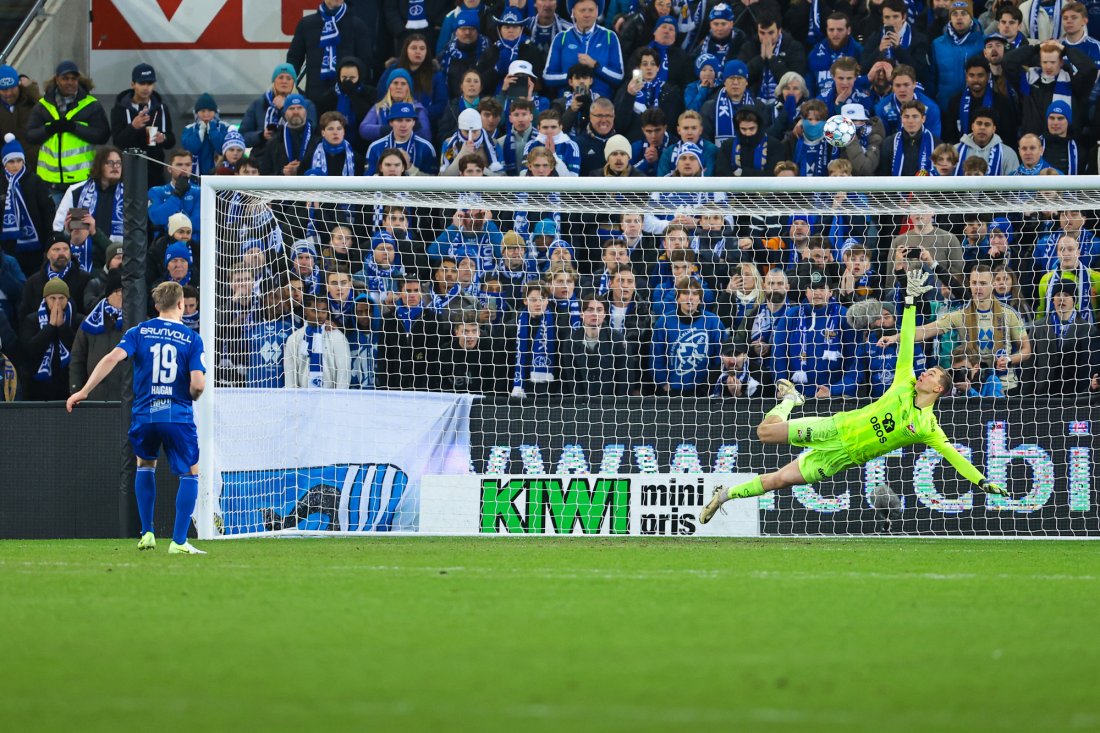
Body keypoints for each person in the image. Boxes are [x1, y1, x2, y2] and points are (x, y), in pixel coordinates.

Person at [699, 269, 1008, 523]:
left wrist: (982, 482)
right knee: (764, 433)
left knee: (777, 480)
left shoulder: (927, 427)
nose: (924, 372)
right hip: (834, 426)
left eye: (931, 374)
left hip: (838, 458)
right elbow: (908, 336)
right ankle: (791, 400)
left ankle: (725, 495)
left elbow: (954, 457)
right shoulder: (904, 381)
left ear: (938, 389)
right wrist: (912, 300)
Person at [66, 281, 207, 554]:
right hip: (176, 415)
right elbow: (198, 384)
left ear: (156, 306)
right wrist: (194, 393)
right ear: (181, 305)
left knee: (145, 464)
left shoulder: (138, 331)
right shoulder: (191, 338)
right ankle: (179, 542)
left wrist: (83, 391)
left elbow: (111, 358)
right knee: (190, 473)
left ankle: (147, 533)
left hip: (144, 414)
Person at [24, 60, 111, 198]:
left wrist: (74, 127)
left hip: (80, 182)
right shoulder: (43, 106)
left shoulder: (91, 105)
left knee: (78, 220)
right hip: (51, 182)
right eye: (65, 78)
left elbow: (103, 136)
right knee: (54, 220)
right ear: (57, 79)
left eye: (73, 78)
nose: (70, 82)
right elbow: (29, 135)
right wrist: (50, 129)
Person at [286, 0, 376, 106]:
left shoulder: (357, 25)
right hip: (314, 96)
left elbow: (365, 63)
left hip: (347, 97)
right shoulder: (306, 24)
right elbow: (294, 59)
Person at [109, 63, 175, 190]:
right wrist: (133, 127)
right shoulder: (119, 109)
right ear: (133, 84)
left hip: (155, 173)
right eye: (142, 83)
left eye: (149, 83)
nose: (146, 88)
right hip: (128, 172)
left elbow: (171, 140)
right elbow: (117, 142)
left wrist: (163, 138)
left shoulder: (161, 108)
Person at [21, 278, 83, 400]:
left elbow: (79, 350)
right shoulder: (32, 320)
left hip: (68, 383)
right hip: (39, 386)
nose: (57, 303)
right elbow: (30, 350)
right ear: (45, 299)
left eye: (61, 298)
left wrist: (62, 327)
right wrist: (50, 327)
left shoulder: (78, 320)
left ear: (67, 299)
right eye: (52, 298)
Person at [0, 133, 53, 275]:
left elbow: (47, 211)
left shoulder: (35, 181)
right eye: (11, 162)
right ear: (4, 163)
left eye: (19, 161)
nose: (16, 165)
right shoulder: (1, 183)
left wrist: (49, 241)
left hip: (35, 247)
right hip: (8, 248)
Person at [69, 267, 124, 400]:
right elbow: (77, 358)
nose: (123, 295)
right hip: (96, 397)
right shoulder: (90, 322)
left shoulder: (140, 321)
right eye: (118, 291)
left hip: (130, 399)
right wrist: (76, 389)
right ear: (109, 294)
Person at [284, 293, 351, 388]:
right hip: (302, 399)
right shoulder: (293, 339)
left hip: (331, 399)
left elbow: (344, 372)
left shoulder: (337, 337)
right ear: (305, 311)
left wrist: (338, 400)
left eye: (323, 311)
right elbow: (290, 376)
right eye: (314, 311)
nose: (320, 315)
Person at [0, 63, 42, 172]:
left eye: (12, 88)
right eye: (4, 90)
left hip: (34, 166)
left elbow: (42, 102)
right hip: (8, 169)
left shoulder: (30, 101)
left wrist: (30, 86)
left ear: (19, 85)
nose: (9, 94)